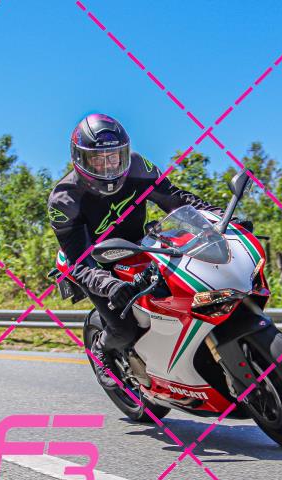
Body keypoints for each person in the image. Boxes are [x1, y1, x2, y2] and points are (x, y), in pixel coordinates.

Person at [48, 114, 224, 389]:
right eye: (97, 159)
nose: (108, 166)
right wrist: (109, 285)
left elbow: (177, 201)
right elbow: (79, 261)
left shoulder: (140, 167)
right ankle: (101, 350)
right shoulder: (64, 200)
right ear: (80, 159)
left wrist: (218, 219)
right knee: (125, 328)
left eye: (114, 157)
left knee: (184, 292)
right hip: (97, 265)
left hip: (138, 247)